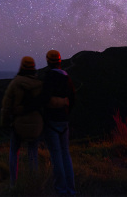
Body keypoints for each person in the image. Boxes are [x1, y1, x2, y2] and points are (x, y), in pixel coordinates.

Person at [0, 56, 43, 187]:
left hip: (18, 125)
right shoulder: (39, 84)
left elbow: (6, 106)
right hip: (36, 126)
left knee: (14, 152)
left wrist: (4, 123)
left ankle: (14, 183)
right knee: (33, 153)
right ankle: (34, 183)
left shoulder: (15, 83)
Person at [42, 49, 76, 196]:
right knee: (65, 155)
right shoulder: (67, 77)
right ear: (60, 61)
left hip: (51, 122)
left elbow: (44, 99)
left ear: (48, 61)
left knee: (56, 156)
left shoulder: (49, 77)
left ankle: (61, 191)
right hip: (64, 121)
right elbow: (73, 99)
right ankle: (71, 191)